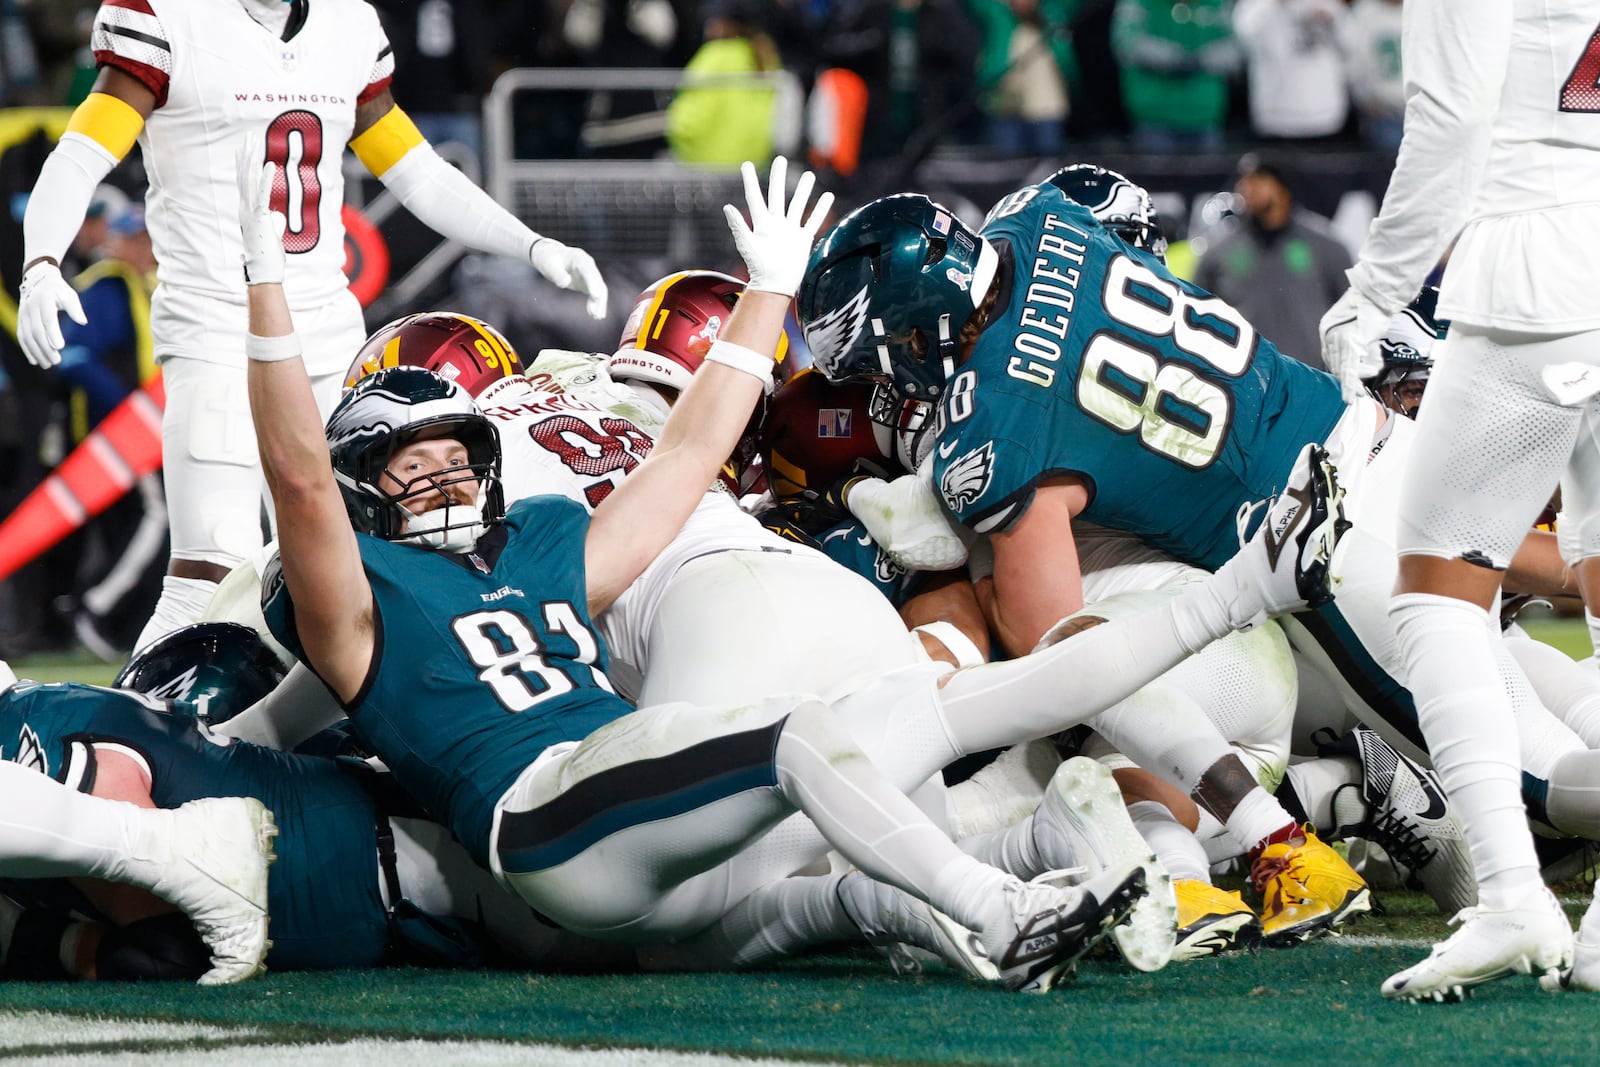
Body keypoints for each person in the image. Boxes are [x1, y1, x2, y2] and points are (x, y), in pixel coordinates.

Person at [241, 148, 1350, 990]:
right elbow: (676, 460)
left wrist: (769, 290)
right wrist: (763, 300)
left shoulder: (518, 535)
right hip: (706, 700)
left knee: (731, 902)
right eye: (413, 462)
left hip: (685, 692)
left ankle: (1025, 874)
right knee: (934, 729)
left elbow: (675, 469)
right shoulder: (447, 541)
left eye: (446, 455)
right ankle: (1153, 831)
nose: (438, 475)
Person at [796, 164, 1385, 949]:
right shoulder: (1045, 228)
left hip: (1173, 660)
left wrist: (858, 509)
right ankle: (1342, 800)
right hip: (1275, 584)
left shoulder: (979, 435)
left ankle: (1235, 854)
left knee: (1060, 696)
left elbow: (1042, 641)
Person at [14, 0, 610, 656]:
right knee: (211, 574)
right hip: (217, 332)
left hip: (324, 335)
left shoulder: (346, 22)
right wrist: (41, 260)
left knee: (369, 560)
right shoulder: (164, 16)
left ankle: (355, 740)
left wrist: (527, 244)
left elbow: (416, 171)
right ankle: (128, 737)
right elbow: (80, 153)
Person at [1322, 0, 1600, 990]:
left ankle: (1514, 897)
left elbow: (1452, 118)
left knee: (1436, 593)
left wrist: (1375, 289)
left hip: (1536, 282)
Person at [0, 625, 630, 981]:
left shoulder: (39, 738)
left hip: (441, 862)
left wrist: (51, 943)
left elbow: (166, 951)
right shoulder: (50, 717)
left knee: (683, 925)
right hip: (415, 856)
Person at [0, 659, 277, 984]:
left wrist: (27, 938)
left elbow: (168, 956)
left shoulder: (31, 745)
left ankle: (166, 842)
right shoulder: (37, 714)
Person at [1193, 154, 1354, 369]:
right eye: (1243, 180)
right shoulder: (1219, 252)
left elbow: (1351, 313)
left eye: (1258, 179)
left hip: (1312, 378)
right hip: (1246, 379)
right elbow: (1199, 317)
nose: (1245, 188)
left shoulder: (1325, 246)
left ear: (1282, 188)